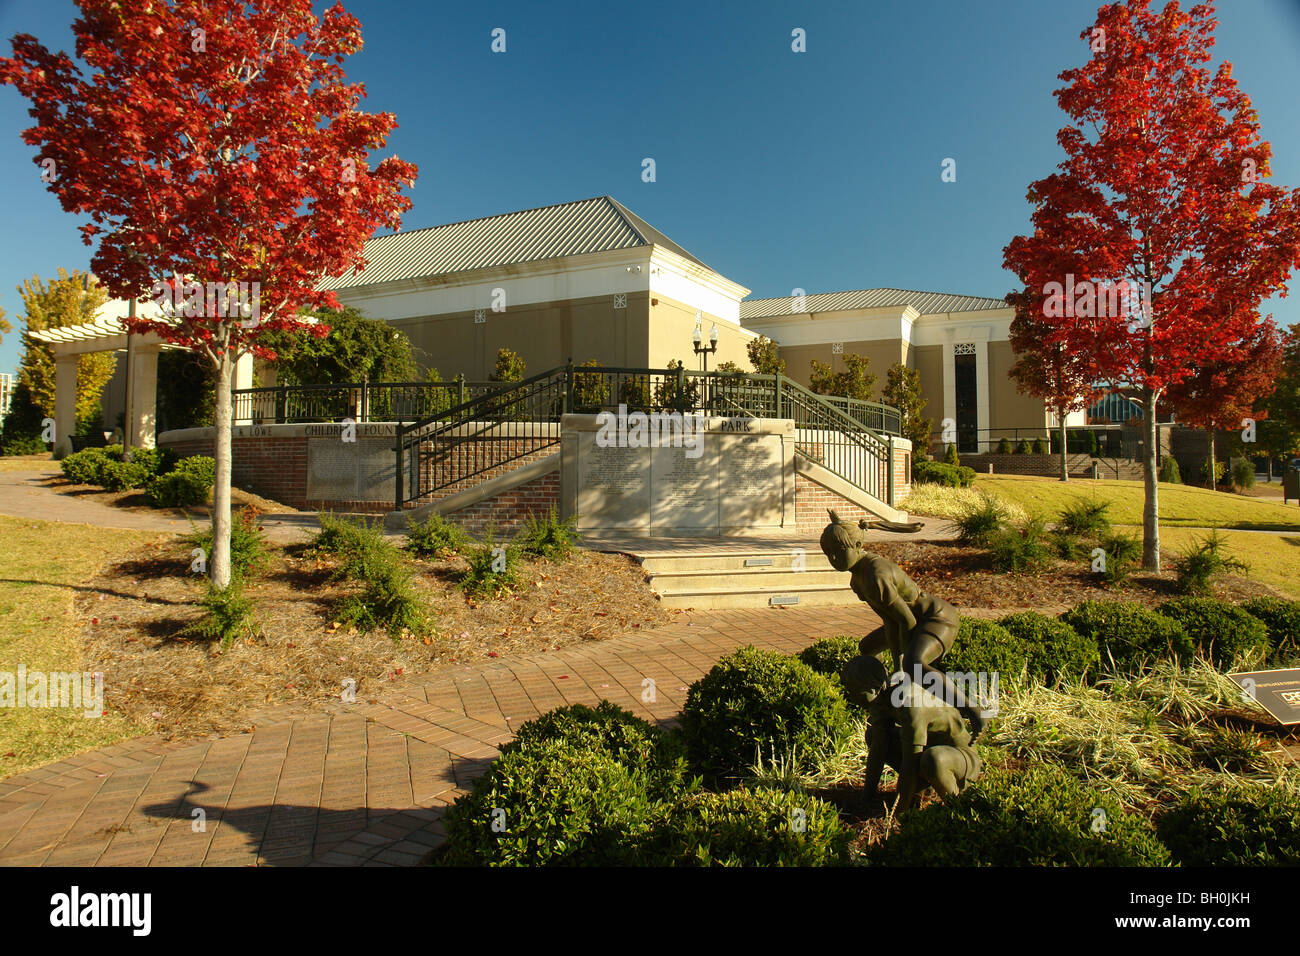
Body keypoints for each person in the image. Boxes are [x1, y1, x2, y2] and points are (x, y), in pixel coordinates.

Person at [819, 508, 985, 740]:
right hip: (911, 620)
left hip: (935, 618)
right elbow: (890, 619)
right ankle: (887, 699)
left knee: (916, 664)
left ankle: (972, 711)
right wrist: (896, 668)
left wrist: (904, 668)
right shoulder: (857, 580)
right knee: (867, 649)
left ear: (857, 546)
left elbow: (908, 620)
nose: (834, 559)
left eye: (839, 551)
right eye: (829, 554)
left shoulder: (876, 575)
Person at [841, 654, 982, 812]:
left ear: (872, 689)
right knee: (873, 735)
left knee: (933, 760)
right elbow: (879, 747)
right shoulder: (882, 697)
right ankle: (923, 788)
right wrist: (866, 798)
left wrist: (899, 813)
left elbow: (911, 764)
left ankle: (958, 810)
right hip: (928, 754)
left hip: (961, 760)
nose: (851, 698)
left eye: (853, 691)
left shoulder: (910, 704)